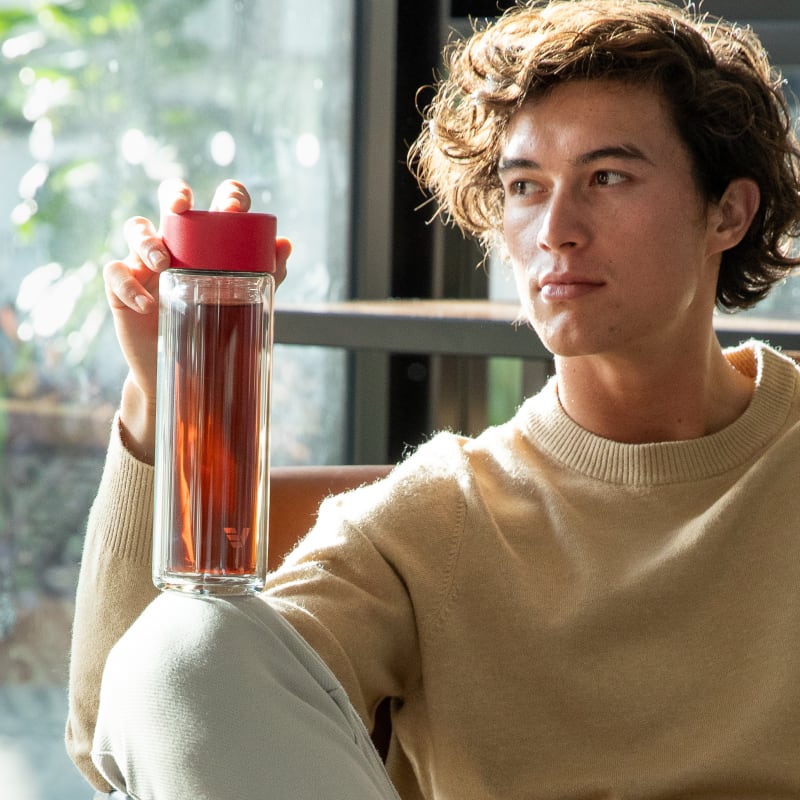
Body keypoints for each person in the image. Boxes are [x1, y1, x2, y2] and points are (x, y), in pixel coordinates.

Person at [67, 0, 800, 797]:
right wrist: (169, 395)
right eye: (525, 186)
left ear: (728, 211)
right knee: (180, 648)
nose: (556, 227)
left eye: (608, 176)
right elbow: (144, 709)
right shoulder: (441, 520)